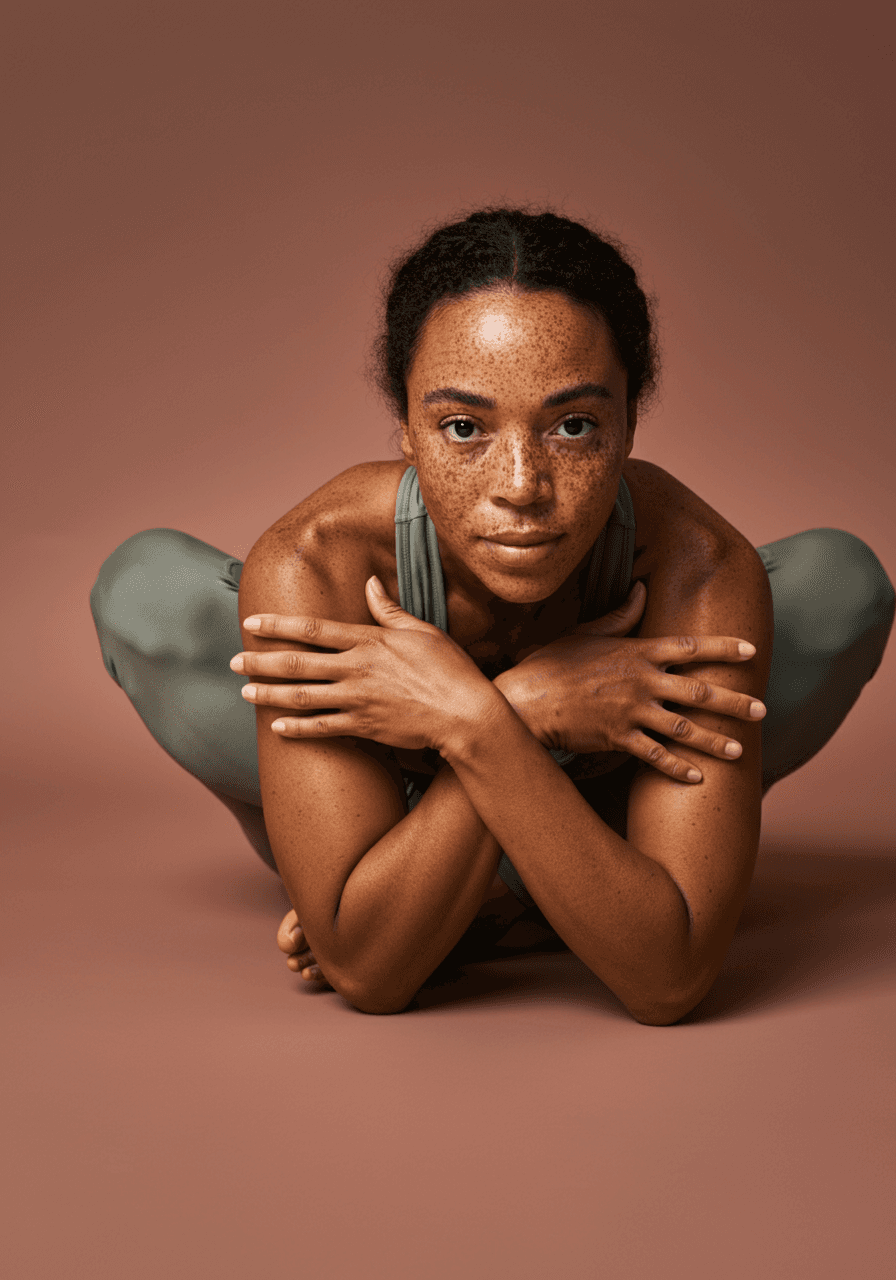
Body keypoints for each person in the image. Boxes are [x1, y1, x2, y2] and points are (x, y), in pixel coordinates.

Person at [90, 208, 894, 1023]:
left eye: (574, 427)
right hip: (421, 802)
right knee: (144, 590)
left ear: (629, 427)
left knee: (840, 585)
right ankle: (537, 894)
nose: (520, 486)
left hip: (588, 800)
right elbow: (371, 971)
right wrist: (529, 709)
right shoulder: (318, 556)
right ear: (404, 427)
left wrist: (476, 718)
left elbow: (670, 974)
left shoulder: (696, 563)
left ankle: (468, 900)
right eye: (464, 428)